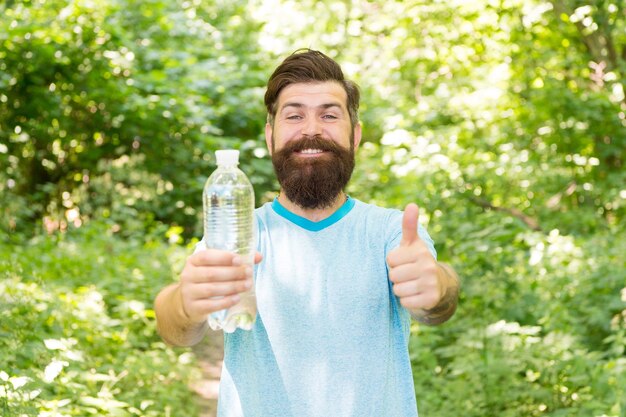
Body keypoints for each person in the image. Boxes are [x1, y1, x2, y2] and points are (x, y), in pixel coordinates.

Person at [154, 49, 460, 417]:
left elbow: (436, 304)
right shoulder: (241, 232)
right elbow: (178, 330)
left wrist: (436, 287)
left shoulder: (390, 231)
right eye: (294, 115)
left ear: (355, 135)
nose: (312, 129)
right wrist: (187, 302)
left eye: (329, 115)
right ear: (270, 136)